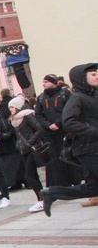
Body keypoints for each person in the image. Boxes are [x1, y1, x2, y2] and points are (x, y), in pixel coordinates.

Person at [41, 63, 98, 216]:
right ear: (82, 78)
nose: (97, 76)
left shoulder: (92, 96)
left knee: (93, 188)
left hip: (92, 147)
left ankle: (52, 193)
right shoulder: (77, 98)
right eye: (93, 74)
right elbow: (69, 122)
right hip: (88, 149)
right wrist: (94, 131)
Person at [35, 74, 81, 188]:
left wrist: (57, 123)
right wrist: (48, 125)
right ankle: (59, 182)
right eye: (43, 81)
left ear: (53, 82)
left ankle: (75, 179)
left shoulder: (64, 94)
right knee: (54, 158)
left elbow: (68, 110)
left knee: (67, 155)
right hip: (49, 133)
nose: (43, 83)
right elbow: (38, 115)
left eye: (46, 81)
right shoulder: (41, 97)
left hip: (64, 131)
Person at [8, 97, 47, 212]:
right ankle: (43, 198)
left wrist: (30, 142)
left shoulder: (27, 115)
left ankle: (42, 200)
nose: (10, 109)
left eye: (12, 107)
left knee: (29, 176)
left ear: (18, 107)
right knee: (33, 175)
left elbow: (39, 129)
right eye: (9, 107)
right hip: (23, 150)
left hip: (31, 149)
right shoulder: (15, 119)